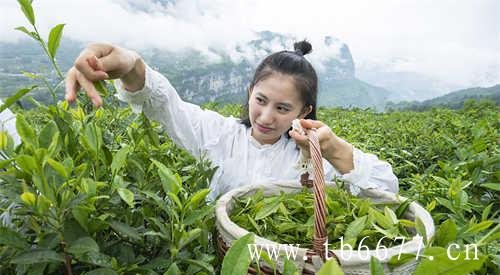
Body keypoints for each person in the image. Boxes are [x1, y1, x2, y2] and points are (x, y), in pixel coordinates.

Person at [65, 40, 398, 201]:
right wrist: (132, 65)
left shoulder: (310, 159)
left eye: (283, 109)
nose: (266, 118)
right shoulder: (221, 135)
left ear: (303, 113)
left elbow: (386, 189)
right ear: (250, 91)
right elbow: (166, 104)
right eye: (261, 101)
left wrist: (331, 148)